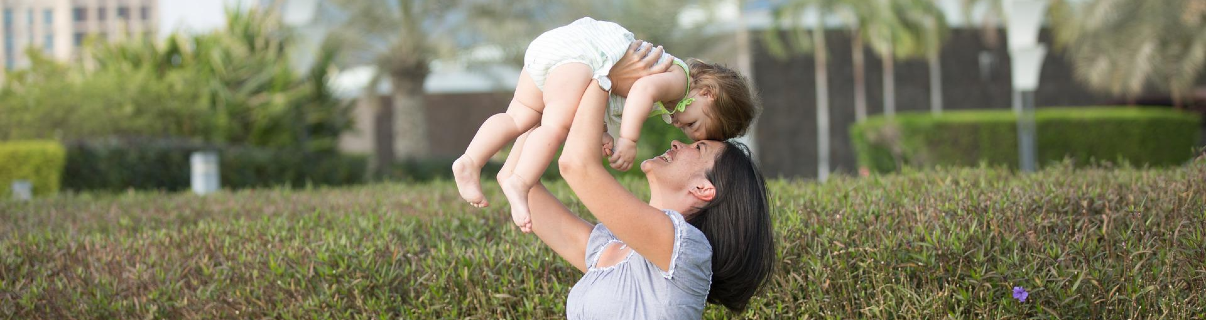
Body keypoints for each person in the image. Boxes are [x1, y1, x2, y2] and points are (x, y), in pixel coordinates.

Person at [497, 45, 775, 318]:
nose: (679, 142)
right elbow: (514, 179)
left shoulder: (689, 250)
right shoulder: (612, 249)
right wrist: (551, 102)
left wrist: (605, 73)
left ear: (703, 188)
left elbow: (577, 166)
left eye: (699, 148)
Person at [451, 17, 758, 233]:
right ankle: (519, 181)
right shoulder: (679, 81)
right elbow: (639, 90)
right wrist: (628, 139)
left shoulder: (673, 96)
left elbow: (609, 93)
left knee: (520, 116)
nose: (681, 127)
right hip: (583, 55)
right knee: (556, 125)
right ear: (708, 93)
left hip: (558, 51)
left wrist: (601, 131)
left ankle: (470, 160)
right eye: (693, 124)